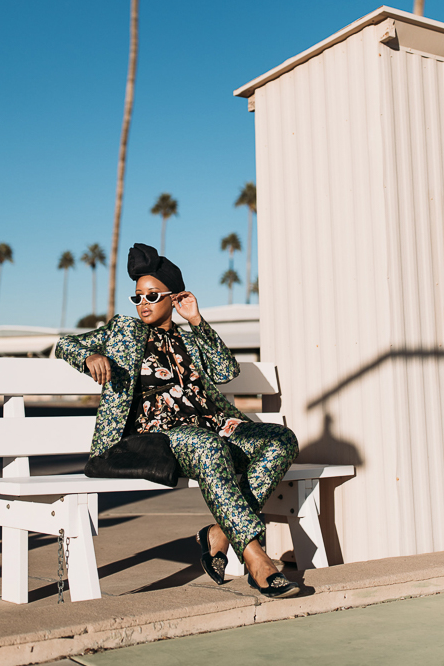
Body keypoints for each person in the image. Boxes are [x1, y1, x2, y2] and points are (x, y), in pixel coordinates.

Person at [55, 242, 300, 598]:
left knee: (282, 440)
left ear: (174, 298)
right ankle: (257, 560)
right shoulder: (124, 332)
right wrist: (90, 355)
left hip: (215, 427)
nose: (143, 304)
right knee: (206, 444)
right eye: (137, 297)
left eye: (152, 296)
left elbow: (226, 370)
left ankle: (218, 533)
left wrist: (197, 321)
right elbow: (65, 344)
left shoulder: (191, 337)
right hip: (160, 436)